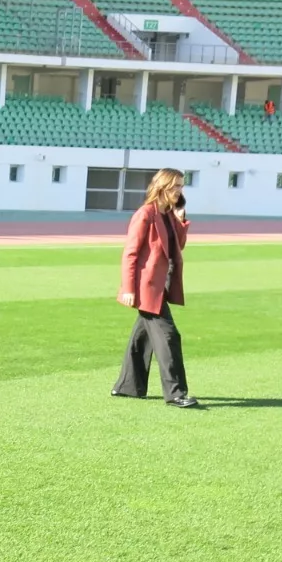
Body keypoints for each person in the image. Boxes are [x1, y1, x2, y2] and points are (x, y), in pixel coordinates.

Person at [113, 168, 196, 408]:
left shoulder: (168, 214)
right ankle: (176, 393)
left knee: (142, 336)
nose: (179, 191)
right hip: (146, 287)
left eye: (181, 186)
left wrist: (180, 222)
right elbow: (130, 254)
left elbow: (177, 246)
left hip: (162, 285)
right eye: (175, 186)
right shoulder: (145, 214)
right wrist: (128, 288)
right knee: (169, 336)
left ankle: (127, 386)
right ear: (162, 186)